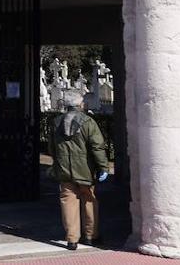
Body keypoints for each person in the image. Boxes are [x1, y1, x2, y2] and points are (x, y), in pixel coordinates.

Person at [48, 90, 109, 250]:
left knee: (68, 201)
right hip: (85, 170)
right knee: (89, 200)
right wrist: (103, 167)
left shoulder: (56, 122)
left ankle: (72, 239)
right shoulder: (88, 122)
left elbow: (52, 147)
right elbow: (97, 147)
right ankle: (90, 236)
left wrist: (56, 163)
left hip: (64, 168)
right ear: (79, 104)